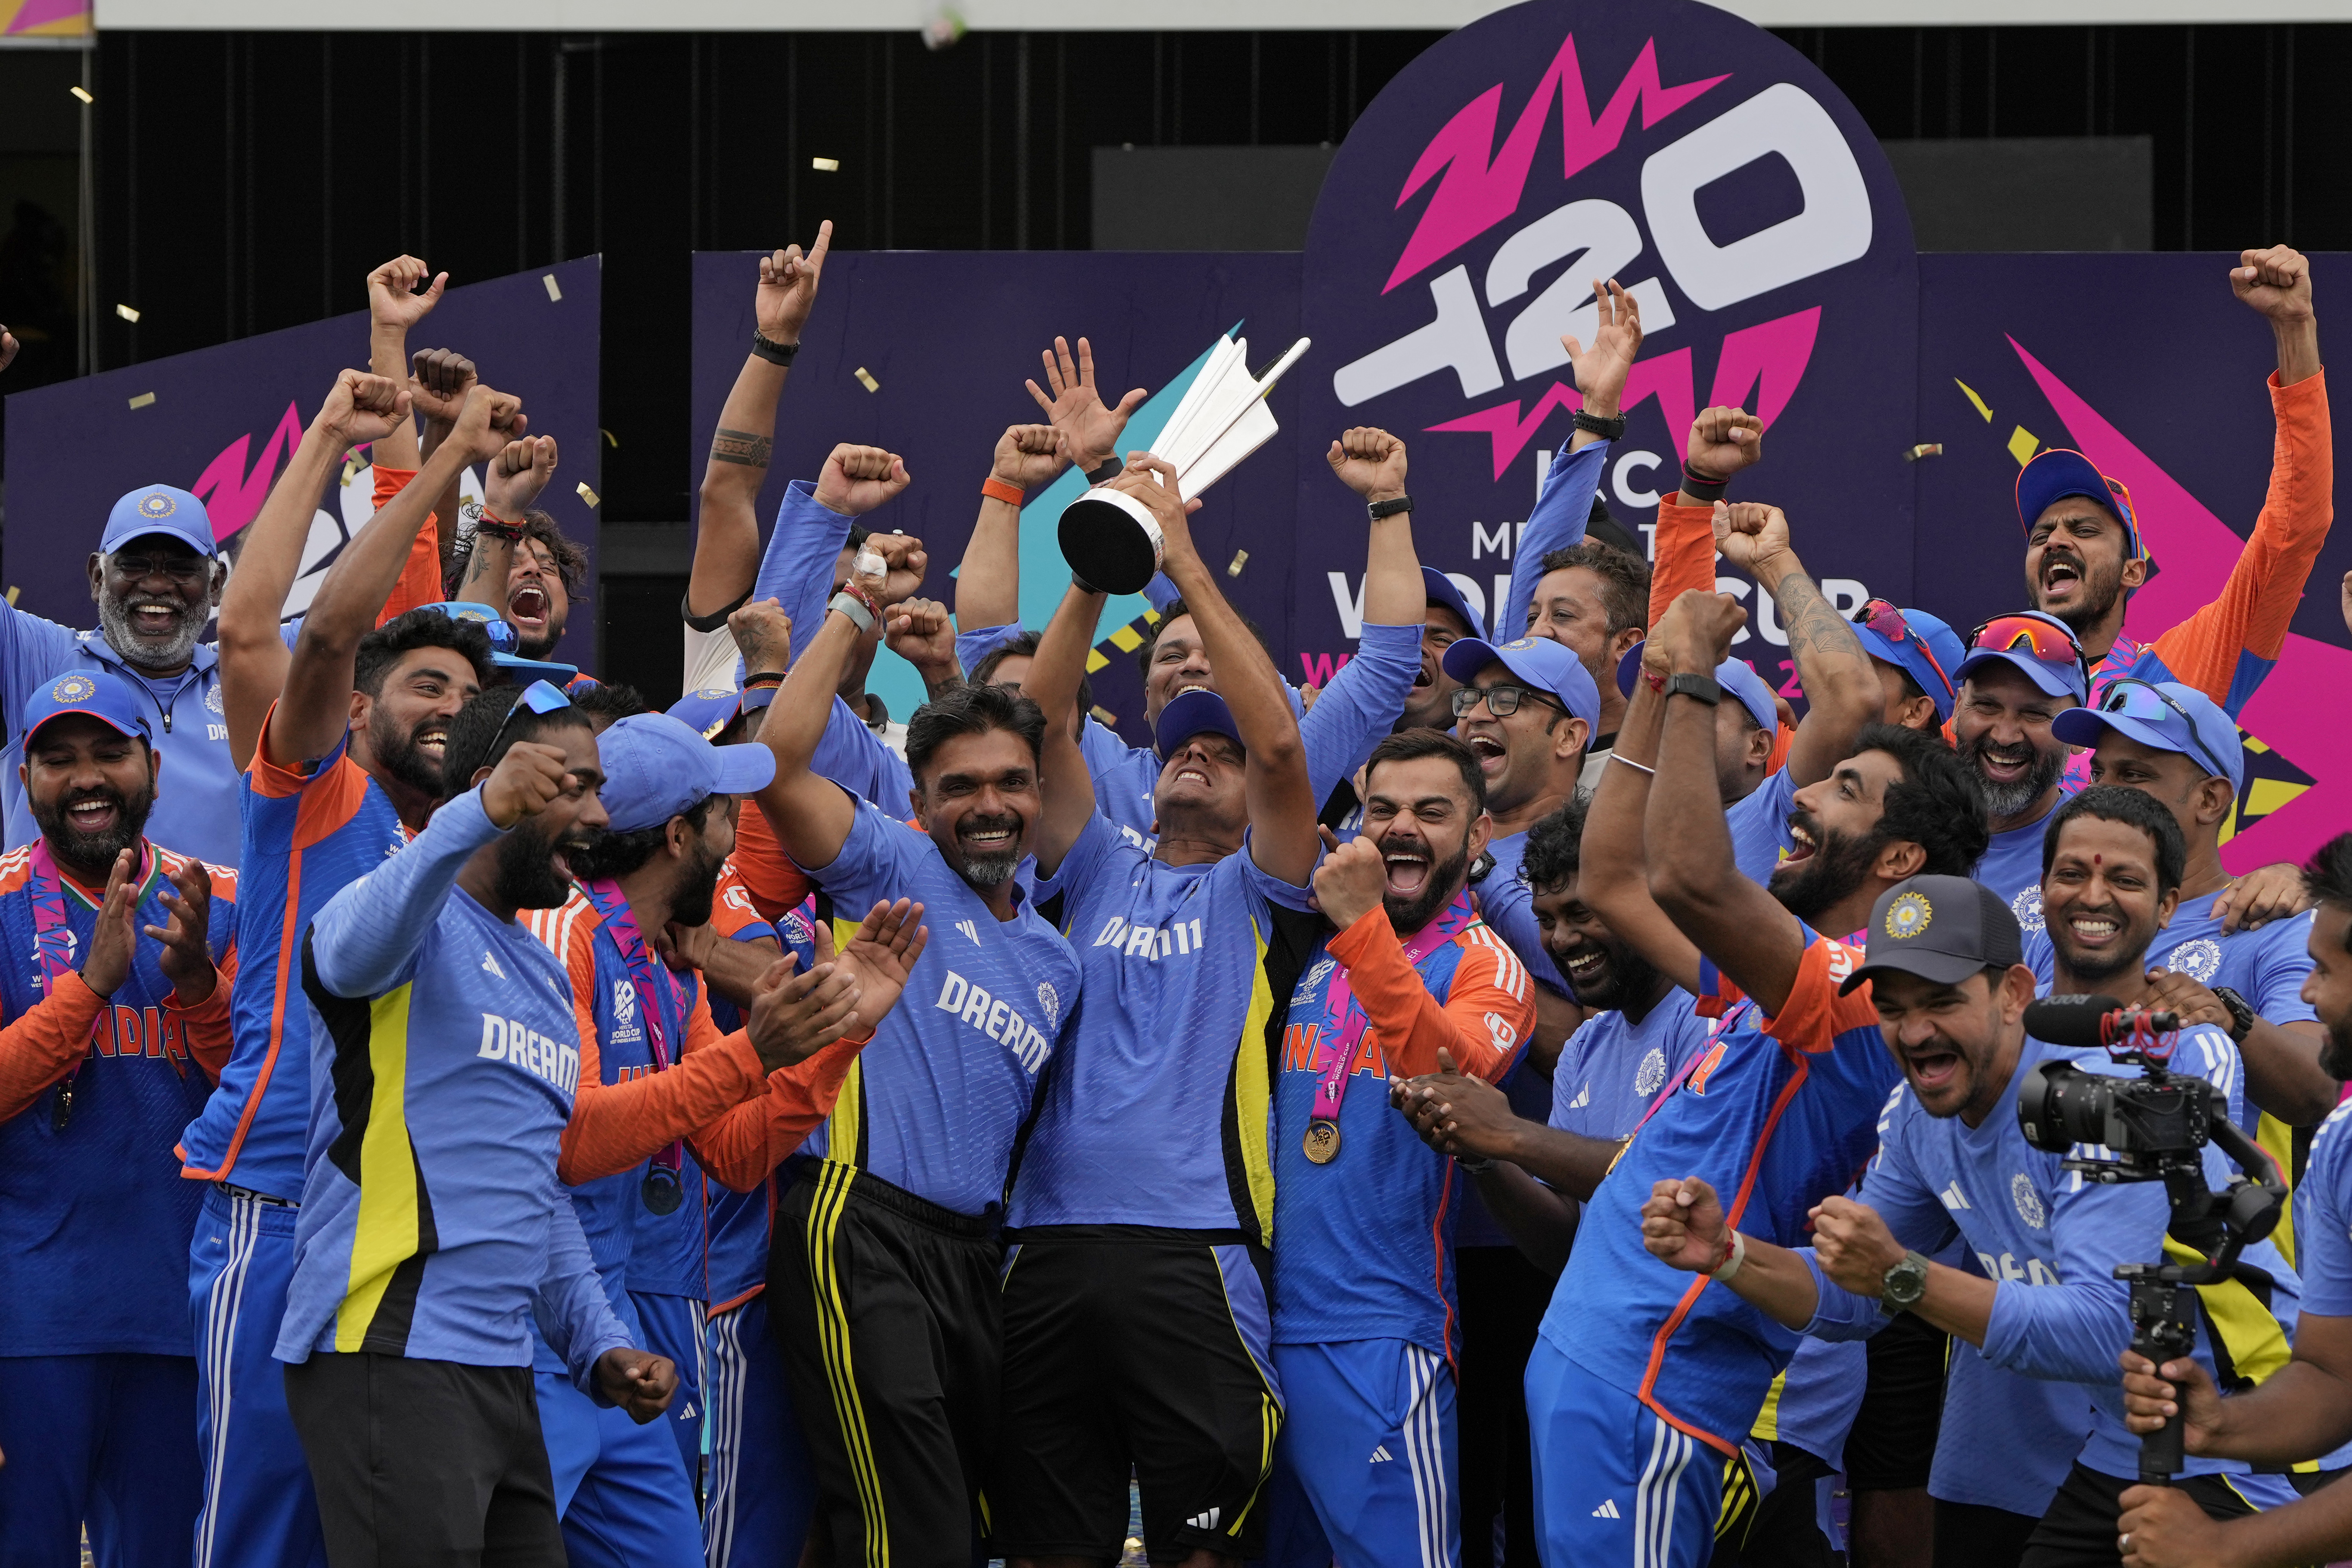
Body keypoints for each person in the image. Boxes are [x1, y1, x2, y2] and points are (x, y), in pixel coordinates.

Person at [1635, 857, 2308, 1568]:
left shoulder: (2108, 1099)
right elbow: (1853, 1296)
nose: (1915, 1031)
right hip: (2135, 1443)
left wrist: (1904, 1275)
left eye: (1939, 1001)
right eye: (1891, 1009)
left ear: (2013, 992)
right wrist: (1730, 1254)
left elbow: (2104, 1332)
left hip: (2258, 1433)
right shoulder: (1919, 1118)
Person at [1540, 587, 1987, 1565]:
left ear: (1900, 856)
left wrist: (1696, 670)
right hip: (1609, 1368)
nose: (1806, 794)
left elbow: (1688, 878)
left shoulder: (1864, 994)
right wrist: (1657, 687)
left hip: (1659, 1377)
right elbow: (1614, 874)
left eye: (1843, 791)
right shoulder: (1780, 972)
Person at [180, 372, 517, 1568]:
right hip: (275, 1202)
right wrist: (373, 440)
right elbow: (283, 629)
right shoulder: (314, 794)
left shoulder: (462, 859)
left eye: (471, 699)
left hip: (397, 1245)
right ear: (361, 708)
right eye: (425, 686)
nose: (451, 708)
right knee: (258, 1531)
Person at [987, 453, 1325, 1566]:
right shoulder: (1092, 866)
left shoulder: (1263, 891)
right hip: (1040, 1240)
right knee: (1048, 1542)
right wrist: (1094, 561)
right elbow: (1031, 728)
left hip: (1194, 1246)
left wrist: (1176, 550)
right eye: (1181, 742)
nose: (1197, 755)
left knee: (1200, 1547)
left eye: (1218, 755)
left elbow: (1281, 743)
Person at [727, 534, 1083, 1563]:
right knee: (909, 1534)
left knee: (942, 1531)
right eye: (959, 788)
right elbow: (778, 756)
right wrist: (855, 606)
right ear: (918, 801)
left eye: (1011, 784)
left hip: (975, 1259)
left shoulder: (1060, 963)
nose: (989, 807)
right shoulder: (889, 861)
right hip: (855, 1225)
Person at [270, 680, 676, 1562]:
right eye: (572, 784)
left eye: (599, 786)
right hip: (389, 1349)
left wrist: (599, 1340)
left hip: (504, 1370)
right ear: (498, 783)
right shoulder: (403, 911)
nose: (601, 813)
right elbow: (339, 952)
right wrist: (473, 815)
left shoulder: (537, 968)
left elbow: (539, 1190)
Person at [522, 708, 913, 1568]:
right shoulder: (563, 934)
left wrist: (838, 1031)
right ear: (676, 834)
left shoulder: (666, 962)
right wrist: (754, 1051)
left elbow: (732, 1146)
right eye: (725, 816)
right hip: (534, 1324)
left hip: (632, 1324)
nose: (737, 841)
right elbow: (576, 1137)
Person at [951, 344, 1425, 846]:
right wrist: (1013, 484)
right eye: (1170, 655)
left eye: (1211, 655)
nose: (1192, 665)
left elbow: (1387, 662)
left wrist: (1387, 499)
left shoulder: (1287, 766)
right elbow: (989, 652)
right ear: (1143, 702)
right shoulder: (1107, 778)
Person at [1265, 730, 1539, 1567]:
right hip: (1259, 1326)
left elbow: (1449, 1085)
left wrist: (1360, 929)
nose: (1401, 828)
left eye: (1431, 810)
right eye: (1381, 809)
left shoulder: (1487, 962)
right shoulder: (1318, 949)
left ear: (1478, 833)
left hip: (1384, 1336)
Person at [0, 672, 236, 1568]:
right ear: (25, 780)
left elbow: (265, 1105)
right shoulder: (1, 898)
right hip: (29, 1323)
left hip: (182, 1314)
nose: (85, 775)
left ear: (154, 767)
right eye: (57, 759)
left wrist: (201, 993)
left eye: (108, 751)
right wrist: (90, 985)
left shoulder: (222, 899)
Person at [2113, 831, 2352, 1568]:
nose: (2306, 994)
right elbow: (2333, 1378)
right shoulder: (2342, 1142)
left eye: (2322, 969)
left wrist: (2224, 1547)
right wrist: (2220, 1425)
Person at [2020, 248, 2329, 728]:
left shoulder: (2173, 677)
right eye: (2040, 537)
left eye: (2083, 529)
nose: (2055, 540)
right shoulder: (1987, 689)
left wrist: (2294, 330)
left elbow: (2293, 529)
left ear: (2133, 571)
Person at [2046, 679, 2338, 1133]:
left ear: (2210, 798)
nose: (2100, 793)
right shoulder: (2064, 909)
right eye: (2098, 773)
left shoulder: (2272, 926)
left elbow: (2315, 1088)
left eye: (2133, 775)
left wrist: (2226, 1017)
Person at [0, 483, 240, 865]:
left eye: (180, 567)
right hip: (55, 925)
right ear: (98, 576)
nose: (157, 584)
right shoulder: (41, 659)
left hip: (225, 925)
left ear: (215, 584)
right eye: (133, 564)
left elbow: (341, 623)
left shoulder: (248, 673)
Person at [1951, 610, 2088, 916]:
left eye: (2035, 714)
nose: (2004, 736)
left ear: (2078, 732)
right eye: (1987, 706)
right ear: (1959, 708)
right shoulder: (1903, 825)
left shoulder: (2101, 855)